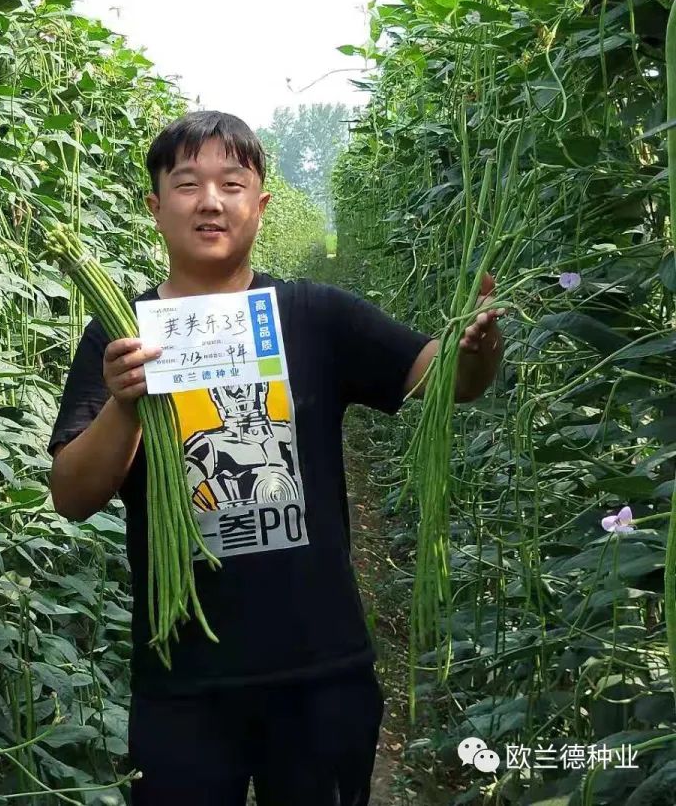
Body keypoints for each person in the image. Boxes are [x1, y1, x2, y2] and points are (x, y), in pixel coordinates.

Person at [47, 111, 504, 806]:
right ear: (155, 206)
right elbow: (72, 496)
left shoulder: (315, 315)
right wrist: (125, 403)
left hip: (320, 675)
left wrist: (473, 354)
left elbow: (442, 382)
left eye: (232, 182)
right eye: (187, 183)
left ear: (260, 204)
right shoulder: (123, 335)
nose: (210, 201)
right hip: (183, 684)